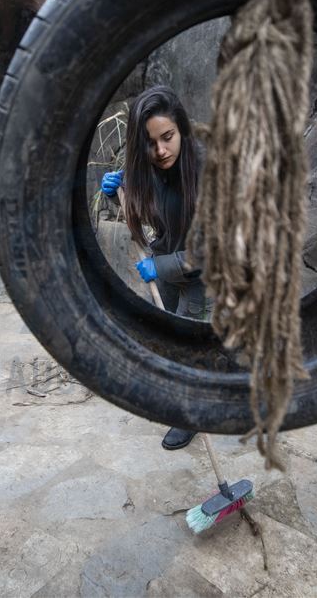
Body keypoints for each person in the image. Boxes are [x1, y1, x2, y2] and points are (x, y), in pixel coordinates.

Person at [101, 85, 209, 450]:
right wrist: (118, 190)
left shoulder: (210, 172)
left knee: (189, 347)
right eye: (150, 142)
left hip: (203, 273)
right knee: (165, 336)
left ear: (181, 130)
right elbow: (144, 211)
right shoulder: (149, 166)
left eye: (168, 138)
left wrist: (160, 267)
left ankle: (190, 416)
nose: (161, 151)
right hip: (165, 259)